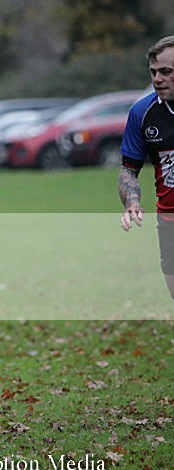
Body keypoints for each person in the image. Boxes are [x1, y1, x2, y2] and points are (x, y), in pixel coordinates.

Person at [119, 35, 174, 299]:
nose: (157, 79)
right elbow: (128, 169)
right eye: (153, 72)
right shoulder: (142, 113)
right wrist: (132, 201)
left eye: (166, 72)